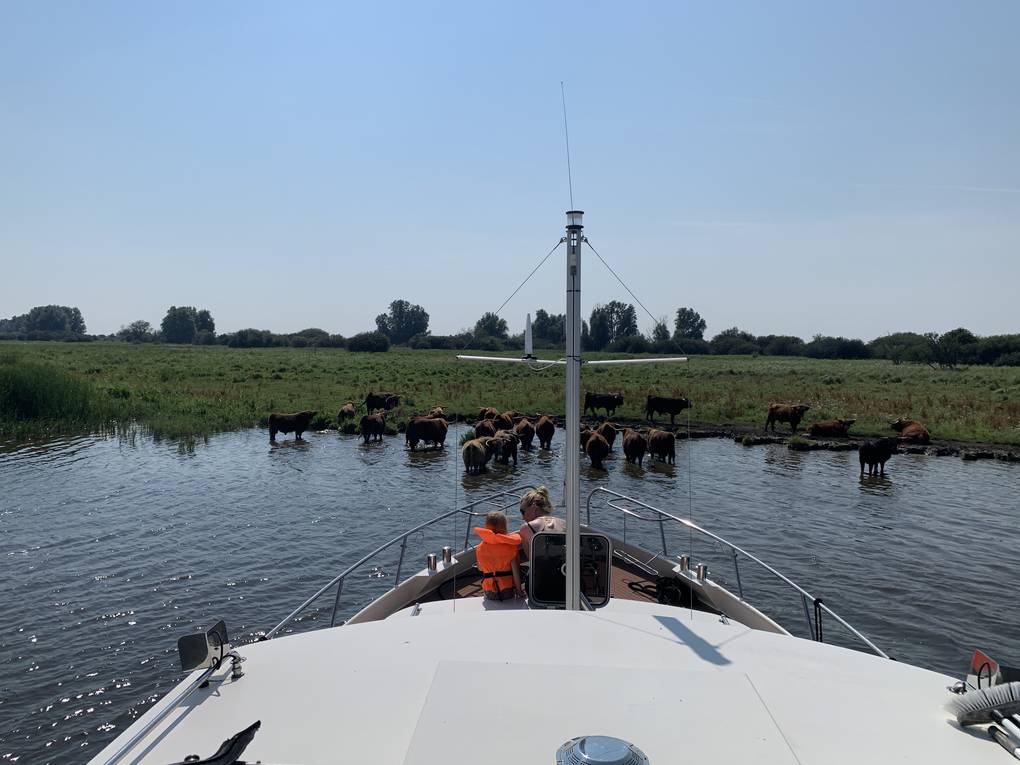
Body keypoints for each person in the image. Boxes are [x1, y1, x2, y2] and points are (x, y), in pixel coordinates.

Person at [473, 511, 524, 600]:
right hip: (507, 590)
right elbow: (516, 573)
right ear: (504, 526)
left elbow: (480, 568)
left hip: (489, 591)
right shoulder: (510, 547)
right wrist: (519, 590)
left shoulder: (480, 548)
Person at [517, 486, 566, 561]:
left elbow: (531, 560)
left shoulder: (526, 528)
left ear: (534, 508)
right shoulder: (564, 523)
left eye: (523, 512)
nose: (523, 518)